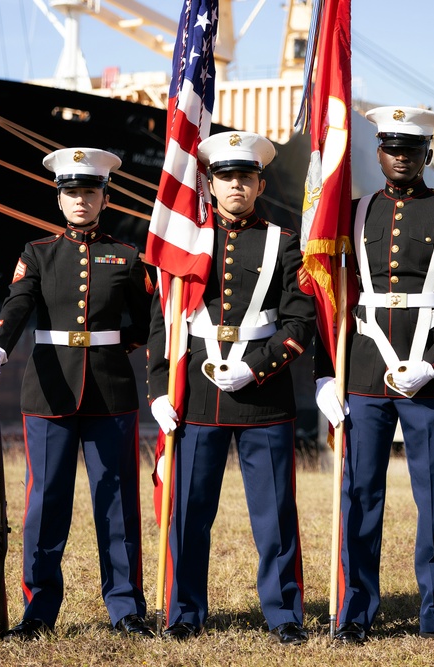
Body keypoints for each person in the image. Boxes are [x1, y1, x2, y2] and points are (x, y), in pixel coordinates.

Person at [314, 107, 434, 645]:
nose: (401, 158)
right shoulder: (351, 212)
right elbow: (329, 294)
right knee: (359, 493)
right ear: (380, 152)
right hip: (364, 371)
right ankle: (355, 612)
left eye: (412, 150)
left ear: (427, 155)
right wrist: (326, 373)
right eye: (392, 148)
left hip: (431, 375)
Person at [0, 147, 155, 640]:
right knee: (46, 502)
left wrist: (119, 352)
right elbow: (17, 306)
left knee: (116, 503)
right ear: (59, 200)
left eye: (89, 192)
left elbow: (145, 324)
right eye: (71, 192)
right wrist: (0, 346)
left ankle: (126, 609)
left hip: (110, 394)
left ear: (105, 198)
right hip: (50, 393)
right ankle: (38, 612)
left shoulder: (127, 256)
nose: (81, 200)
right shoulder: (38, 254)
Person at [147, 131, 316, 645]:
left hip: (263, 395)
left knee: (275, 515)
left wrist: (257, 367)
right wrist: (158, 390)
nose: (236, 185)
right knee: (189, 512)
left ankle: (284, 613)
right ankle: (184, 612)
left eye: (245, 177)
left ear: (260, 184)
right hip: (195, 393)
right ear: (210, 184)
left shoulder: (285, 243)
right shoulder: (187, 242)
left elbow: (300, 321)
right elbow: (166, 322)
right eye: (226, 177)